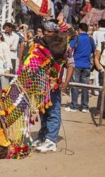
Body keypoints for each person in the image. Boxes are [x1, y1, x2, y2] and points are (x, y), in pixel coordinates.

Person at [34, 20, 75, 152]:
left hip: (54, 85)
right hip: (40, 84)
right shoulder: (40, 46)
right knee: (43, 112)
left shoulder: (64, 47)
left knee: (53, 112)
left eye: (49, 32)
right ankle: (43, 137)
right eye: (45, 31)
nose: (46, 34)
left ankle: (51, 140)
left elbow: (71, 65)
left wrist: (66, 82)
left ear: (56, 33)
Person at [65, 23, 95, 113]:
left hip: (77, 64)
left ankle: (74, 106)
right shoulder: (90, 39)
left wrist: (70, 58)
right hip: (87, 65)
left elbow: (69, 48)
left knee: (75, 86)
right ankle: (84, 107)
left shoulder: (76, 38)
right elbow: (94, 50)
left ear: (79, 29)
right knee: (85, 86)